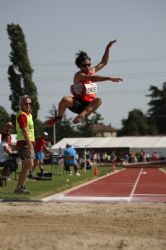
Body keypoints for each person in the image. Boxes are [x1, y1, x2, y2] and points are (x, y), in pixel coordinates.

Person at [48, 39, 123, 126]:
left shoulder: (92, 70)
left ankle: (81, 116)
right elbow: (92, 78)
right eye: (84, 65)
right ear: (79, 66)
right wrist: (109, 78)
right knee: (65, 99)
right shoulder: (79, 75)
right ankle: (59, 117)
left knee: (98, 100)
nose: (87, 67)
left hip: (88, 106)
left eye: (89, 64)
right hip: (77, 103)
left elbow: (104, 62)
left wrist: (108, 47)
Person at [15, 95, 35, 194]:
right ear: (21, 104)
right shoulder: (22, 115)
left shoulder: (29, 115)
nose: (28, 105)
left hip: (27, 142)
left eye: (29, 103)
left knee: (28, 165)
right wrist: (29, 144)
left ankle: (21, 186)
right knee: (29, 164)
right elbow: (24, 130)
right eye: (25, 103)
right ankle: (19, 187)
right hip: (24, 142)